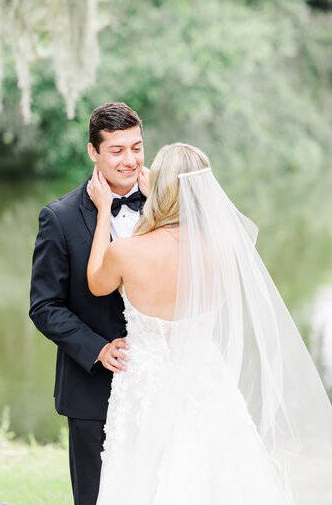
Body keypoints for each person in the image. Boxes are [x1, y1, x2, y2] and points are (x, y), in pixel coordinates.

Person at [86, 142, 332, 505]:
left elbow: (96, 281)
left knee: (142, 477)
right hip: (206, 379)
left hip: (145, 383)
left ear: (163, 186)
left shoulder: (127, 251)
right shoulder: (228, 246)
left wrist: (105, 211)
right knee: (215, 473)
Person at [29, 102, 149, 505]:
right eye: (117, 150)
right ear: (92, 152)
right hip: (91, 391)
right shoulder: (59, 218)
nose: (129, 160)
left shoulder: (169, 208)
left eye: (136, 147)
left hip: (161, 381)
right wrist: (97, 348)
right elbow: (45, 306)